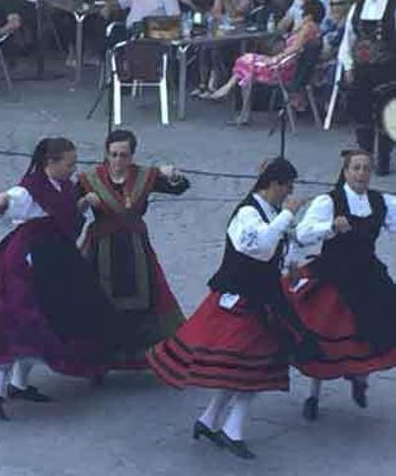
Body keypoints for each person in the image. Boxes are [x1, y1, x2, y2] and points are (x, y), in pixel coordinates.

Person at [0, 138, 122, 421]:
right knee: (19, 325)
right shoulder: (28, 190)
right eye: (69, 163)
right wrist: (1, 205)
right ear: (51, 163)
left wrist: (81, 203)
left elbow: (65, 216)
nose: (73, 168)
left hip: (54, 261)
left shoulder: (63, 186)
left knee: (44, 323)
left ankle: (19, 385)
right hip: (26, 264)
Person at [147, 158, 316, 460]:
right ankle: (230, 429)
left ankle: (211, 420)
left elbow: (282, 245)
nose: (289, 194)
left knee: (242, 368)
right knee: (251, 368)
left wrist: (290, 261)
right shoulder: (247, 213)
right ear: (274, 184)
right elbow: (261, 247)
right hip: (241, 300)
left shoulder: (272, 211)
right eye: (287, 187)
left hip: (264, 298)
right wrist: (288, 213)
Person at [287, 150, 396, 421]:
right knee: (326, 334)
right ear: (346, 172)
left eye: (366, 169)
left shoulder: (381, 202)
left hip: (368, 274)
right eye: (356, 168)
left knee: (377, 325)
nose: (361, 174)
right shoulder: (329, 201)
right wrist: (331, 228)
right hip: (333, 274)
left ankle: (360, 376)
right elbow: (302, 234)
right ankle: (314, 394)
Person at [77, 130, 189, 372]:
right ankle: (99, 357)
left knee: (143, 299)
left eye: (124, 155)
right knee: (100, 300)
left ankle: (140, 356)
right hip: (101, 247)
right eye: (113, 155)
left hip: (135, 246)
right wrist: (85, 202)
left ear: (132, 156)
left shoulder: (144, 176)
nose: (118, 161)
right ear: (106, 154)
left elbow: (179, 188)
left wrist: (174, 175)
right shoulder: (89, 179)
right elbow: (70, 211)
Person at [206, 0, 324, 125]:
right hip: (292, 69)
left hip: (284, 70)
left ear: (309, 15)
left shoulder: (308, 28)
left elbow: (293, 50)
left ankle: (235, 101)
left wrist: (275, 59)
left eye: (303, 13)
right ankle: (231, 92)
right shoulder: (315, 30)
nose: (301, 15)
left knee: (246, 61)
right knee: (246, 64)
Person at [337, 0, 395, 175]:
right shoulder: (358, 5)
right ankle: (365, 158)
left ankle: (384, 159)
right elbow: (349, 38)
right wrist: (348, 66)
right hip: (361, 70)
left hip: (387, 70)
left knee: (387, 115)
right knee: (362, 115)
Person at [104, 0, 181, 29]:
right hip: (129, 34)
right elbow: (115, 2)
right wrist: (107, 6)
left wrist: (145, 26)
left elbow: (174, 24)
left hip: (150, 39)